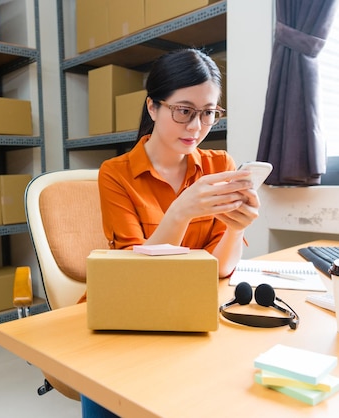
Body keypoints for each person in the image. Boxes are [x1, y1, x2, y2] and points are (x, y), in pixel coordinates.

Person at [81, 48, 261, 417]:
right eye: (183, 111)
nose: (196, 127)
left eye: (209, 112)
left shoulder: (219, 164)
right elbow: (138, 280)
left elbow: (221, 269)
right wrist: (179, 212)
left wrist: (234, 229)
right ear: (153, 108)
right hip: (128, 315)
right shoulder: (114, 173)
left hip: (188, 313)